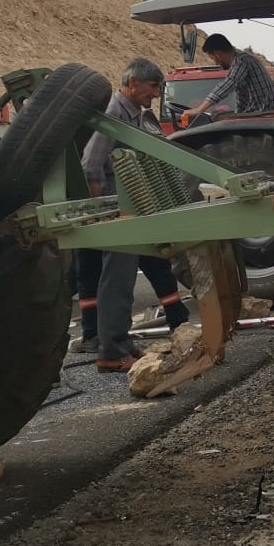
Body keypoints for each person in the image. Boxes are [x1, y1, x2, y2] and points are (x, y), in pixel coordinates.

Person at [81, 58, 188, 372]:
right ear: (132, 83)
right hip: (118, 202)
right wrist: (106, 213)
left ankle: (123, 343)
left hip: (129, 200)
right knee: (116, 279)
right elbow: (92, 165)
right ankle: (112, 352)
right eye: (152, 86)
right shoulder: (114, 115)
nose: (155, 94)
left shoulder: (134, 115)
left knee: (125, 278)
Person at [193, 32, 274, 119]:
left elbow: (228, 84)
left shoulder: (241, 61)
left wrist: (199, 109)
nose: (215, 63)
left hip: (262, 116)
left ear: (218, 55)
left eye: (213, 58)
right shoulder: (242, 59)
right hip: (259, 114)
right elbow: (242, 102)